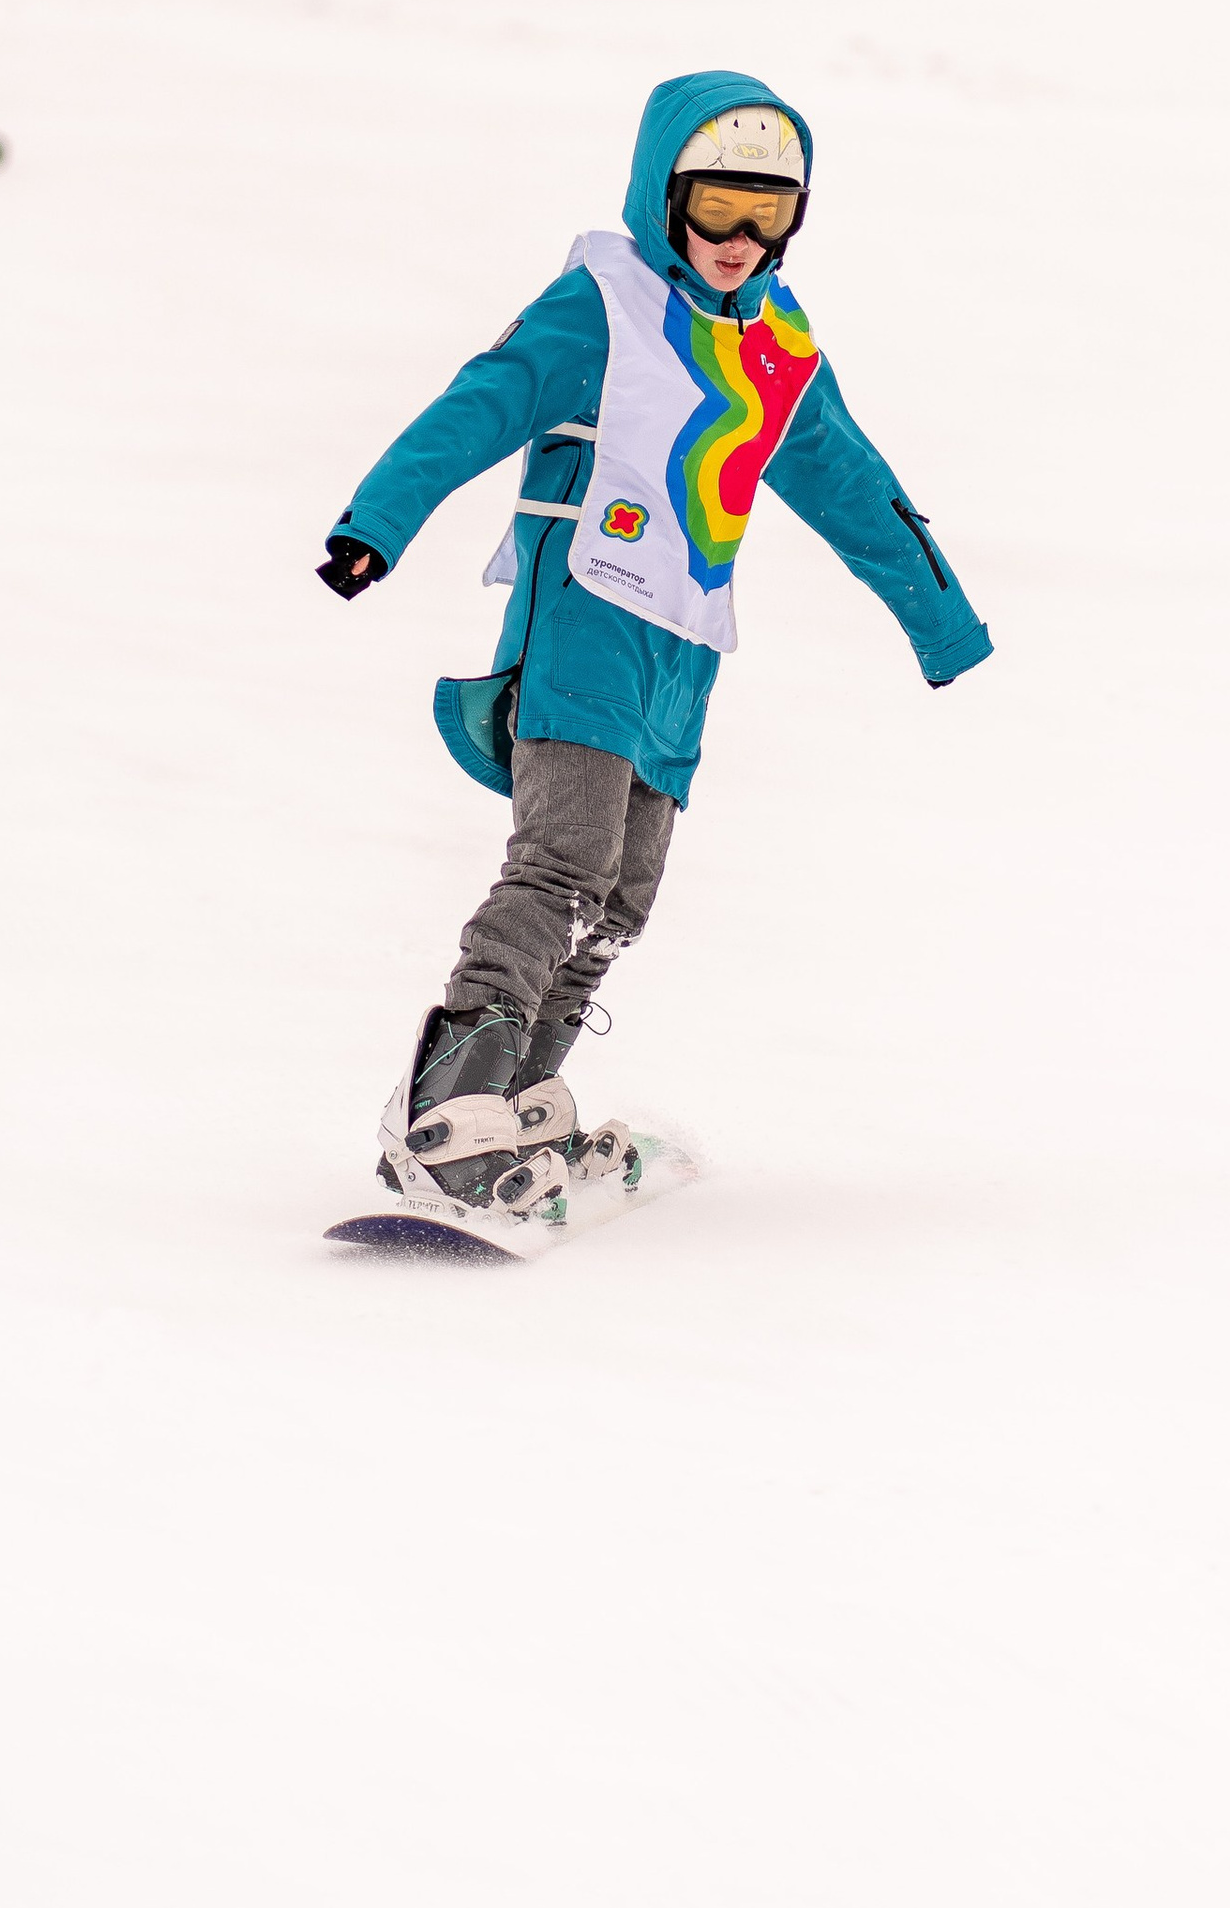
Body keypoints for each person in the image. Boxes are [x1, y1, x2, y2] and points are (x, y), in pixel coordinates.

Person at [319, 69, 992, 1223]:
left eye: (767, 214)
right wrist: (374, 525)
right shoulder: (604, 304)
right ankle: (446, 1106)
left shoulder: (777, 344)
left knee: (623, 893)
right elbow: (477, 404)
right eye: (716, 206)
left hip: (684, 650)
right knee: (563, 861)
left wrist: (942, 622)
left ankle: (519, 1101)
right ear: (662, 196)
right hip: (585, 619)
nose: (739, 240)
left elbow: (854, 486)